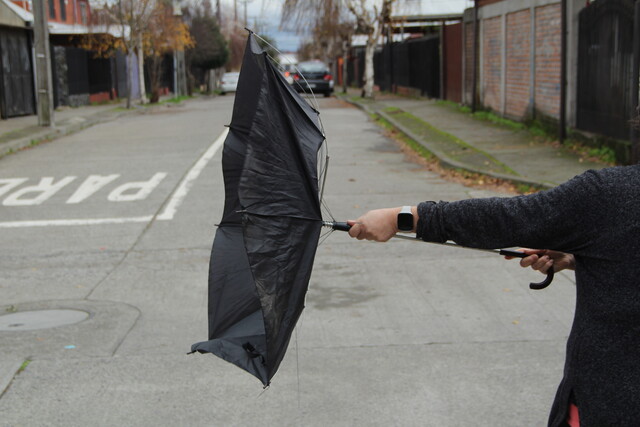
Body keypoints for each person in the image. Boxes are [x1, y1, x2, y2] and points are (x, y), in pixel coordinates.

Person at [347, 164, 640, 427]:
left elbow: (510, 218)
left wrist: (402, 218)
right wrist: (584, 259)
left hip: (609, 404)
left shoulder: (611, 193)